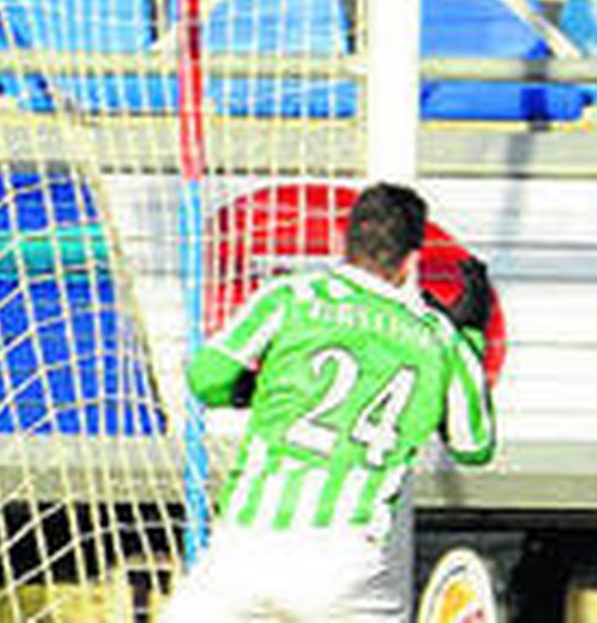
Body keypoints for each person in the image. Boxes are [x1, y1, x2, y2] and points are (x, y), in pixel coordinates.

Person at [163, 183, 495, 622]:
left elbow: (205, 380)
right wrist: (470, 334)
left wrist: (252, 392)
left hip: (246, 543)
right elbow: (474, 446)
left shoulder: (292, 297)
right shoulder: (439, 336)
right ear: (412, 260)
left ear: (347, 240)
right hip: (347, 564)